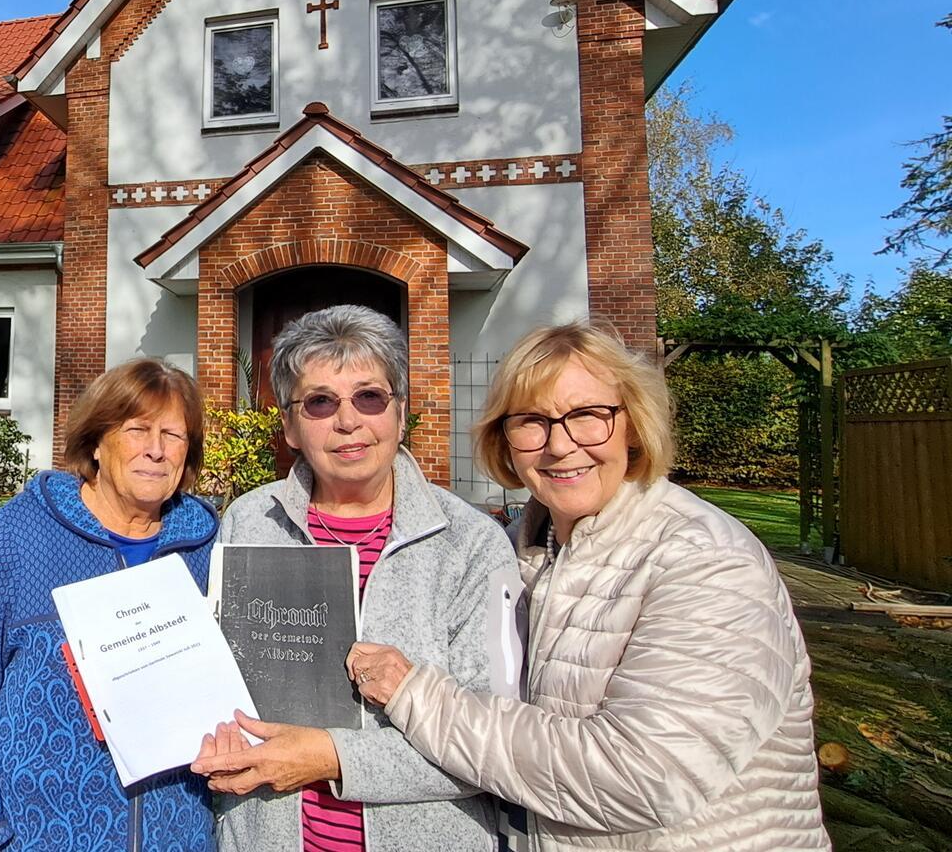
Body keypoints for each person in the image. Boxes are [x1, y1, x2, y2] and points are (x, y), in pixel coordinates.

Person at [346, 322, 828, 850]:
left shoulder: (707, 562)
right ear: (504, 440)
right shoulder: (519, 550)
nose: (559, 445)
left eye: (588, 416)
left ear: (633, 424)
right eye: (532, 421)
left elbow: (643, 775)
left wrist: (416, 695)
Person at [195, 304, 515, 851]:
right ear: (291, 426)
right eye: (320, 402)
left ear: (400, 411)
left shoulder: (470, 543)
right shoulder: (249, 521)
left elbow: (497, 746)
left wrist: (330, 757)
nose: (348, 421)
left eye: (370, 397)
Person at [0, 357, 220, 851]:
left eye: (174, 435)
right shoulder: (24, 532)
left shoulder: (207, 549)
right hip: (35, 834)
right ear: (97, 441)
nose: (155, 450)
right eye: (137, 429)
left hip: (177, 833)